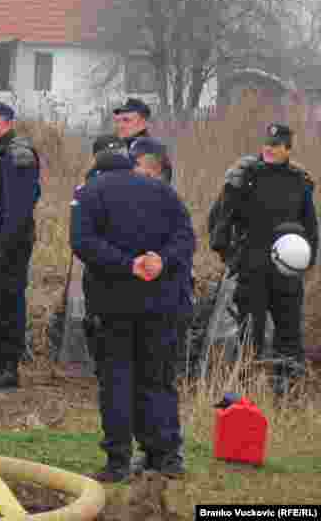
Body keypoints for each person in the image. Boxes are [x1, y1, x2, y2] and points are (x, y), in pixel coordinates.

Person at [71, 146, 195, 482]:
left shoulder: (90, 193)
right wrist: (160, 260)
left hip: (112, 304)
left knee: (116, 380)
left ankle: (118, 461)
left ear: (98, 169)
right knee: (157, 378)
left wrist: (127, 264)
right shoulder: (163, 191)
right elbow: (186, 239)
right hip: (161, 302)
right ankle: (164, 457)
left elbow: (82, 242)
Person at [208, 123, 316, 395]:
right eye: (267, 144)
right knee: (248, 336)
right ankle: (245, 395)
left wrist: (306, 262)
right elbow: (220, 222)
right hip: (251, 270)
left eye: (276, 145)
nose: (269, 149)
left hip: (287, 274)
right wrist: (229, 256)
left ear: (288, 149)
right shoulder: (244, 177)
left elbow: (311, 229)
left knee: (289, 338)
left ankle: (287, 396)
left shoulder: (300, 181)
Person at [0, 102, 41, 390]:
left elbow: (18, 208)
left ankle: (8, 366)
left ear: (9, 124)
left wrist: (4, 245)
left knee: (8, 302)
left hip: (11, 241)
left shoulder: (18, 154)